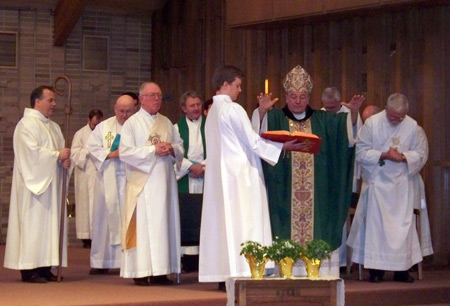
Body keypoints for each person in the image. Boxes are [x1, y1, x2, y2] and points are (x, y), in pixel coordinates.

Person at [251, 65, 363, 277]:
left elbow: (346, 138)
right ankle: (283, 269)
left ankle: (316, 271)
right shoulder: (275, 118)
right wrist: (262, 111)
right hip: (283, 192)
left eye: (302, 96)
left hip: (316, 195)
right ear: (286, 96)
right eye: (293, 96)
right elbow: (255, 141)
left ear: (309, 96)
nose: (298, 101)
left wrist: (354, 113)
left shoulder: (324, 120)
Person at [198, 65, 302, 289]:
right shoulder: (232, 109)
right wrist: (283, 146)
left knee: (226, 224)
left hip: (221, 176)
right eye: (237, 85)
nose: (239, 90)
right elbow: (252, 141)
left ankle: (227, 272)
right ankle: (247, 270)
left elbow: (243, 137)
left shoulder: (213, 112)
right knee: (246, 220)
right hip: (240, 176)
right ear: (225, 85)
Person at [347, 93, 424, 283]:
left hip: (401, 186)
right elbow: (360, 152)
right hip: (378, 184)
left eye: (401, 117)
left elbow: (420, 153)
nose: (397, 120)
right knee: (377, 228)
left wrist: (404, 156)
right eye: (393, 117)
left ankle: (401, 271)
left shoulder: (412, 126)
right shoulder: (372, 124)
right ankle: (376, 270)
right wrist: (383, 155)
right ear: (386, 110)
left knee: (402, 229)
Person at [4, 85, 71, 283]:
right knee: (34, 225)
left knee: (49, 226)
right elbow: (31, 154)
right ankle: (29, 268)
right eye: (50, 100)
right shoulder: (27, 125)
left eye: (55, 100)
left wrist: (66, 161)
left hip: (51, 185)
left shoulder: (53, 126)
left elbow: (60, 153)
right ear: (37, 102)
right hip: (35, 188)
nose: (54, 104)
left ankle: (44, 266)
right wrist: (57, 155)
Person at [119, 82, 184, 286]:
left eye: (159, 95)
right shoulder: (132, 123)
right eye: (152, 95)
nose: (157, 98)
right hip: (143, 184)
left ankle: (161, 271)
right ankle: (141, 271)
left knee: (163, 225)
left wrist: (172, 149)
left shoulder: (167, 123)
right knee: (145, 227)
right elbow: (125, 152)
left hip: (164, 183)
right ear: (141, 99)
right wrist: (152, 151)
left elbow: (180, 147)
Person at [86, 95, 135, 275]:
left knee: (128, 219)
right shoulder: (103, 127)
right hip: (108, 178)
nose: (124, 115)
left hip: (131, 179)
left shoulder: (139, 126)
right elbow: (92, 147)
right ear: (115, 109)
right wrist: (112, 155)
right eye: (121, 111)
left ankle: (128, 262)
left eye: (128, 111)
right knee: (103, 220)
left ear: (134, 109)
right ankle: (101, 261)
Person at [321, 87, 363, 269]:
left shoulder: (348, 112)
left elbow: (353, 138)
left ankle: (342, 261)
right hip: (324, 174)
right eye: (327, 107)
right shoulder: (319, 115)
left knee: (340, 215)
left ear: (339, 102)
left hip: (343, 173)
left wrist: (353, 112)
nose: (330, 110)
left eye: (333, 107)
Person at [175, 90, 206, 272]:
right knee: (187, 216)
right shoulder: (176, 128)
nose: (196, 109)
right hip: (186, 177)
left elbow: (218, 149)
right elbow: (175, 154)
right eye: (192, 105)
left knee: (204, 216)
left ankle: (204, 257)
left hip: (206, 176)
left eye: (198, 105)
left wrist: (203, 167)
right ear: (183, 108)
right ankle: (187, 258)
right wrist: (190, 167)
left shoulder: (211, 125)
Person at [71, 109, 104, 249]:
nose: (96, 126)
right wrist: (87, 152)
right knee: (85, 205)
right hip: (85, 173)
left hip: (98, 173)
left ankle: (98, 235)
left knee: (98, 204)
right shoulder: (80, 134)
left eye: (98, 123)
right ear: (89, 120)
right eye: (94, 123)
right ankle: (85, 237)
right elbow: (74, 152)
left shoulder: (103, 133)